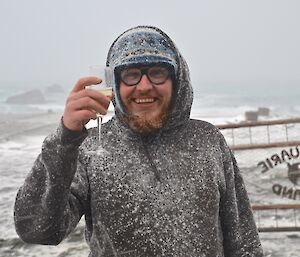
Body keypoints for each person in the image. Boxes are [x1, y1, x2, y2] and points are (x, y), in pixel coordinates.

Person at [14, 25, 264, 257]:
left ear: (177, 81)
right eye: (131, 75)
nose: (144, 86)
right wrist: (65, 138)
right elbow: (37, 229)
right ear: (115, 85)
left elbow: (243, 241)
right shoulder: (89, 149)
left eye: (157, 73)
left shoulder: (208, 142)